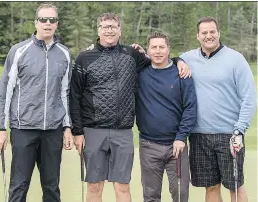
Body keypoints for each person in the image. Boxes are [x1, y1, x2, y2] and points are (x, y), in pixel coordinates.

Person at [70, 13, 190, 202]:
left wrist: (178, 60)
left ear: (120, 30)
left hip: (123, 131)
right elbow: (75, 96)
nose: (109, 30)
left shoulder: (131, 54)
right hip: (93, 130)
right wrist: (77, 132)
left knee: (123, 186)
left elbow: (158, 60)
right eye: (105, 26)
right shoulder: (84, 57)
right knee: (94, 186)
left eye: (113, 26)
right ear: (98, 30)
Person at [0, 3, 73, 202]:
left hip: (52, 130)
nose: (47, 24)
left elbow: (65, 93)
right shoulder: (19, 51)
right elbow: (5, 91)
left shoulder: (64, 54)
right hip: (23, 129)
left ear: (57, 24)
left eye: (52, 20)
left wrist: (67, 126)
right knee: (19, 185)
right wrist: (1, 128)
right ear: (36, 23)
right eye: (43, 20)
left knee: (52, 186)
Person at [179, 16, 256, 202]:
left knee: (234, 186)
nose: (208, 36)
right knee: (211, 186)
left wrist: (239, 130)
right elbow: (164, 59)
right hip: (199, 135)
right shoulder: (187, 58)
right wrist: (178, 61)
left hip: (229, 134)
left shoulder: (235, 59)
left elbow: (249, 98)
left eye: (212, 32)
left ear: (218, 33)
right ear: (198, 36)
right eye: (204, 33)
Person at [136, 31, 197, 202]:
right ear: (147, 51)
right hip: (148, 145)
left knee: (180, 194)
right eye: (153, 47)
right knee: (150, 196)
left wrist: (181, 137)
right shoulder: (141, 73)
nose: (158, 51)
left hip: (177, 146)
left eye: (162, 47)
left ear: (168, 49)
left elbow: (190, 108)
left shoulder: (182, 74)